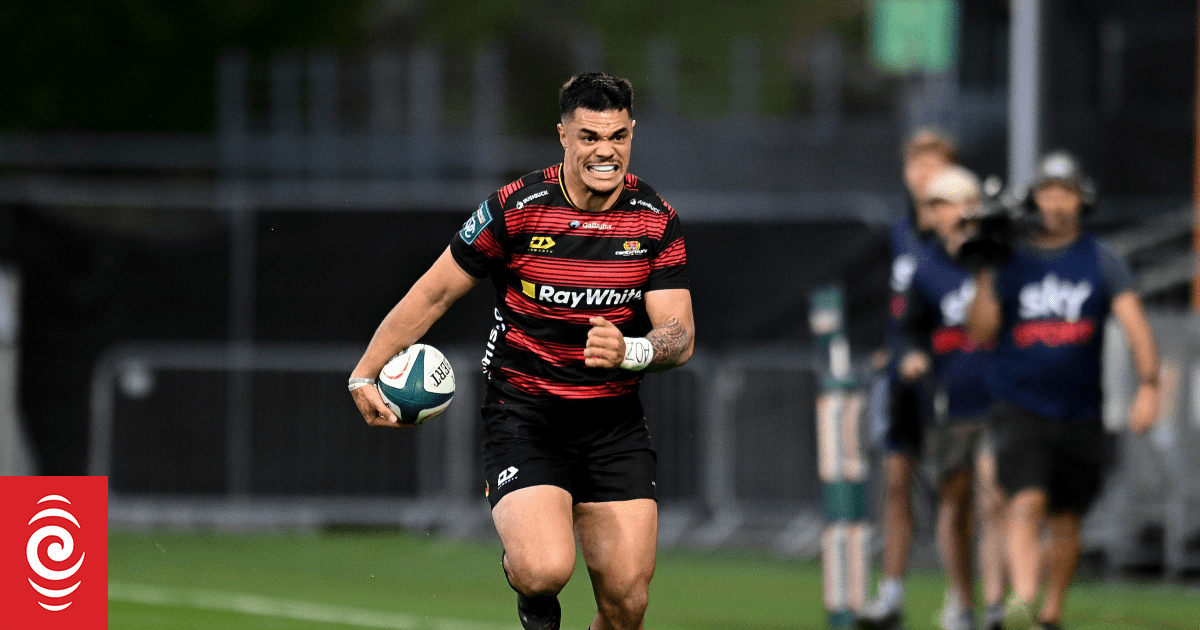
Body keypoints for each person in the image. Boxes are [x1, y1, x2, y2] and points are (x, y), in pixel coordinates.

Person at [348, 72, 694, 630]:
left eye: (618, 136)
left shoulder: (655, 219)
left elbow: (679, 334)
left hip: (614, 425)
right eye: (589, 137)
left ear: (632, 133)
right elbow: (433, 293)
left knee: (628, 602)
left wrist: (631, 349)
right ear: (563, 135)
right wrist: (364, 373)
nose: (605, 151)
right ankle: (530, 590)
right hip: (526, 417)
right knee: (544, 569)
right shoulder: (516, 208)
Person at [965, 151, 1160, 630]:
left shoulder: (1101, 259)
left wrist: (1149, 385)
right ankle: (1023, 599)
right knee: (1025, 502)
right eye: (1047, 193)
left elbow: (1135, 325)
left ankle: (1050, 613)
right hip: (1019, 404)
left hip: (1079, 410)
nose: (1055, 203)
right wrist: (985, 269)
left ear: (1081, 199)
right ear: (1035, 200)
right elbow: (980, 331)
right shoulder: (1012, 259)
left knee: (1067, 518)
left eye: (1065, 193)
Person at [893, 166, 1007, 630]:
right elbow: (909, 330)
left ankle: (995, 604)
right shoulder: (926, 267)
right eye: (937, 205)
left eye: (952, 202)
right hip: (950, 401)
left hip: (999, 398)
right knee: (954, 504)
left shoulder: (999, 259)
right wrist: (911, 356)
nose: (945, 213)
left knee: (993, 497)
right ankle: (962, 600)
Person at [858, 127, 958, 630]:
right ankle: (891, 594)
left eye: (934, 164)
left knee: (955, 489)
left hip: (951, 372)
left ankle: (961, 596)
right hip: (902, 377)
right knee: (896, 481)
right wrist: (889, 347)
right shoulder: (898, 234)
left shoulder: (960, 236)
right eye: (916, 164)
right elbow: (895, 304)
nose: (923, 175)